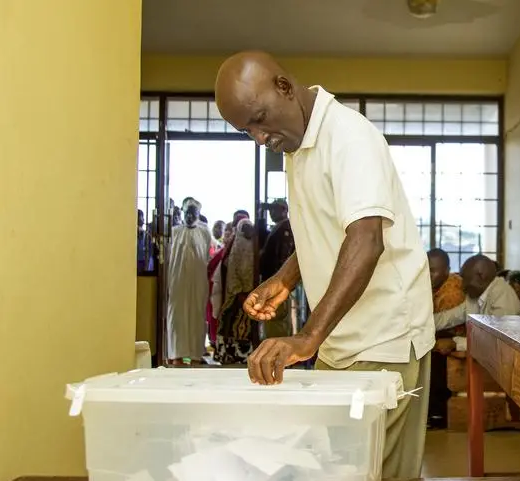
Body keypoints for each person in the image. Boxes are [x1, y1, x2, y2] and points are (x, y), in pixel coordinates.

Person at [215, 51, 435, 479]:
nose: (260, 138)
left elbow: (365, 240)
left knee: (374, 471)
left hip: (383, 337)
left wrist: (306, 337)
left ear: (284, 87)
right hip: (340, 341)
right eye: (248, 131)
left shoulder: (349, 138)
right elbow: (327, 228)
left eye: (260, 119)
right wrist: (284, 278)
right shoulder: (297, 145)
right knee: (339, 467)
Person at [167, 198, 214, 364]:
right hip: (177, 281)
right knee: (177, 317)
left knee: (196, 316)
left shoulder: (204, 231)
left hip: (197, 282)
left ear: (198, 214)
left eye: (193, 213)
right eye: (187, 212)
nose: (190, 216)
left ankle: (195, 354)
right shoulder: (174, 232)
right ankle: (176, 355)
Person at [426, 248, 465, 429]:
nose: (429, 274)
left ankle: (437, 413)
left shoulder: (452, 290)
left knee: (434, 352)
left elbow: (445, 324)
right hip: (447, 332)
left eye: (434, 270)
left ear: (447, 271)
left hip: (459, 337)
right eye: (426, 269)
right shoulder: (435, 285)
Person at [433, 254, 520, 332]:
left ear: (481, 276)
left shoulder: (502, 293)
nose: (462, 286)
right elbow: (449, 318)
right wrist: (422, 324)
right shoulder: (475, 295)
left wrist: (455, 343)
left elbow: (497, 339)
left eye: (465, 279)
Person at [212, 218, 257, 364]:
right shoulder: (236, 246)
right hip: (237, 294)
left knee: (243, 327)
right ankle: (230, 355)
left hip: (250, 293)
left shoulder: (253, 246)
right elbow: (232, 271)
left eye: (250, 228)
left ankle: (243, 356)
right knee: (230, 323)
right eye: (245, 228)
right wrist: (240, 291)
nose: (248, 231)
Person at [258, 198, 295, 339]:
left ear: (284, 210)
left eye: (275, 209)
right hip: (275, 279)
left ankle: (277, 357)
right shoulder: (279, 227)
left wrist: (279, 279)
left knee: (276, 319)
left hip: (278, 280)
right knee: (273, 322)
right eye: (271, 209)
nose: (272, 212)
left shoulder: (285, 228)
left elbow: (282, 257)